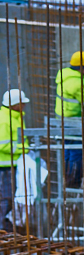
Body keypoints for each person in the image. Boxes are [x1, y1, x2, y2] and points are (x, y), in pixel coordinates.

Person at [55, 51, 84, 187]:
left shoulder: (65, 75)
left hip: (63, 121)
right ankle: (74, 181)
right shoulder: (78, 84)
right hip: (75, 122)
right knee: (79, 152)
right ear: (82, 68)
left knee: (68, 150)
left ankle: (68, 178)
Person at [0, 90, 26, 233]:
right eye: (21, 103)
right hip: (4, 166)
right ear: (14, 104)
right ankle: (3, 228)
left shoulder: (16, 117)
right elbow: (3, 145)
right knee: (6, 198)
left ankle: (6, 225)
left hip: (14, 164)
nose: (24, 105)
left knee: (12, 197)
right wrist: (24, 149)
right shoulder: (4, 120)